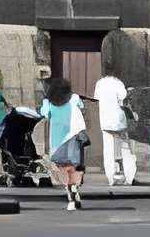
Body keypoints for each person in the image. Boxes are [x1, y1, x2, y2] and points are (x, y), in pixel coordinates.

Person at [38, 75, 88, 210]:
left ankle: (70, 195)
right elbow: (83, 109)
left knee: (65, 169)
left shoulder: (48, 102)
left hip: (57, 141)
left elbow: (44, 114)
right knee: (76, 167)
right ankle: (75, 189)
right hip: (75, 137)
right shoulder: (75, 98)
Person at [95, 66, 132, 187]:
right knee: (125, 148)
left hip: (105, 119)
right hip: (118, 120)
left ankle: (111, 177)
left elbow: (97, 98)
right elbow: (123, 100)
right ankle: (128, 177)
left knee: (108, 149)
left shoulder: (99, 83)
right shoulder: (118, 83)